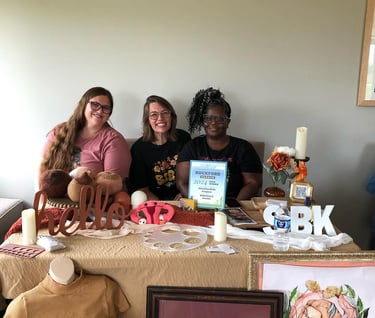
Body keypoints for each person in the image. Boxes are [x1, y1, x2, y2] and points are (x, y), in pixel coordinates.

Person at [176, 87, 262, 200]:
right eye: (208, 118)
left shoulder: (243, 148)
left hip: (235, 204)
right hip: (198, 205)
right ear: (203, 122)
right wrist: (198, 203)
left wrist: (234, 207)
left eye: (219, 119)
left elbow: (253, 183)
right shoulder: (192, 147)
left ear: (227, 122)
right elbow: (182, 183)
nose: (213, 123)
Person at [39, 86, 131, 191]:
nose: (100, 111)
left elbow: (111, 185)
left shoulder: (113, 140)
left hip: (93, 203)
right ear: (83, 105)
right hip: (54, 202)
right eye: (95, 104)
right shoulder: (59, 131)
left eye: (105, 108)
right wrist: (41, 201)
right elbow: (42, 169)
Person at [128, 95, 191, 200]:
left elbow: (193, 175)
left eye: (165, 113)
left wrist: (184, 194)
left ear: (171, 116)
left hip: (183, 199)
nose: (160, 118)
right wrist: (163, 207)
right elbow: (142, 189)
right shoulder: (139, 148)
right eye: (154, 115)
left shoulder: (184, 138)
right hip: (155, 202)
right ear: (147, 120)